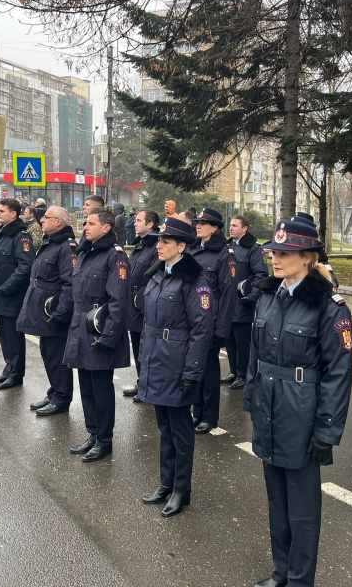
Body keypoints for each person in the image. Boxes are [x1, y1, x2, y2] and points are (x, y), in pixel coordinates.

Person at [244, 219, 352, 587]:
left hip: (302, 412)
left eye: (285, 253)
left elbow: (338, 373)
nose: (275, 259)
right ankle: (281, 572)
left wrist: (327, 429)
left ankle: (300, 580)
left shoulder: (329, 305)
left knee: (303, 509)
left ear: (307, 258)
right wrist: (251, 399)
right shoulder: (268, 295)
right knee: (277, 501)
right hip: (269, 408)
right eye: (273, 252)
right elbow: (255, 355)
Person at [137, 217, 214, 517]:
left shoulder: (195, 279)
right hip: (156, 360)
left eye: (165, 241)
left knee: (181, 432)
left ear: (182, 246)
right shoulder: (157, 274)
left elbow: (201, 330)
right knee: (164, 427)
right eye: (158, 241)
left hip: (178, 361)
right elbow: (148, 324)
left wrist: (193, 372)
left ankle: (182, 489)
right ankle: (165, 483)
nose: (159, 246)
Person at [62, 207, 130, 462]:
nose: (85, 227)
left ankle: (104, 440)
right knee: (87, 386)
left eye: (91, 223)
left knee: (101, 388)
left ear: (106, 228)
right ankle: (92, 433)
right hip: (80, 326)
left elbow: (118, 300)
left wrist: (109, 336)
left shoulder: (115, 257)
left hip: (99, 329)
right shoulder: (86, 252)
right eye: (85, 223)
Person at [17, 206, 78, 416]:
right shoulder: (51, 242)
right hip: (43, 310)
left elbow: (70, 284)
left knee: (57, 357)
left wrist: (60, 313)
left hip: (54, 311)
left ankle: (62, 398)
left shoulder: (66, 247)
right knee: (47, 353)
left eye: (46, 217)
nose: (42, 220)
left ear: (59, 222)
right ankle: (54, 392)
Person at [187, 208, 237, 434]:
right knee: (194, 367)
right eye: (197, 222)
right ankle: (197, 411)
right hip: (192, 320)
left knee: (208, 370)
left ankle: (209, 416)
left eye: (204, 223)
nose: (198, 225)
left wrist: (221, 328)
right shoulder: (193, 249)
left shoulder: (225, 254)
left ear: (215, 228)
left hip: (211, 321)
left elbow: (228, 294)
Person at [0, 199, 35, 390]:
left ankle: (16, 374)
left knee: (13, 336)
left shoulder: (20, 237)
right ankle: (8, 368)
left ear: (13, 214)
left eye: (2, 211)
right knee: (4, 334)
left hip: (11, 293)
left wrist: (8, 287)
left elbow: (26, 265)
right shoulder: (3, 232)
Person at [224, 214, 268, 390]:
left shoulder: (254, 249)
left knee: (242, 342)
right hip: (226, 302)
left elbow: (261, 275)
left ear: (245, 229)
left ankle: (243, 374)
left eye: (235, 225)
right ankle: (234, 371)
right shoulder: (227, 247)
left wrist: (252, 297)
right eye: (230, 225)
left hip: (242, 301)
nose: (231, 228)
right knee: (229, 340)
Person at [122, 209, 160, 401]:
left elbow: (154, 277)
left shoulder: (156, 247)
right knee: (137, 347)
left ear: (150, 224)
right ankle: (141, 382)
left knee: (148, 349)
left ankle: (149, 386)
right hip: (133, 304)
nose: (134, 223)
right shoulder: (140, 246)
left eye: (138, 220)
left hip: (145, 304)